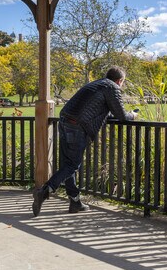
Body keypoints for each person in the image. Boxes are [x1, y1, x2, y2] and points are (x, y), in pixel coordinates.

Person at [32, 66, 137, 216]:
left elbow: (103, 112)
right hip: (77, 127)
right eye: (123, 82)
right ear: (120, 80)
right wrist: (133, 115)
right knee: (72, 165)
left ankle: (75, 202)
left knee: (67, 165)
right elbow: (122, 115)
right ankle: (45, 191)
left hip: (64, 122)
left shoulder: (96, 84)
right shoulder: (112, 87)